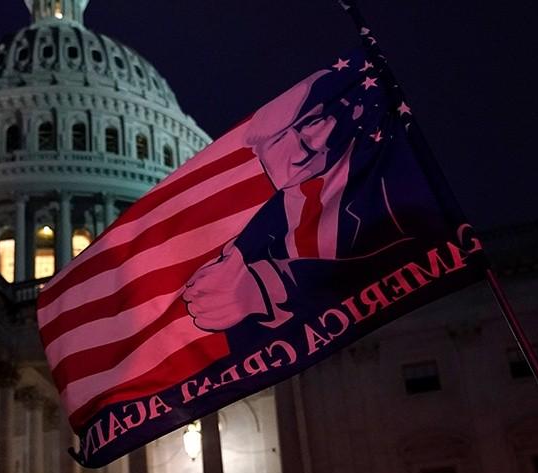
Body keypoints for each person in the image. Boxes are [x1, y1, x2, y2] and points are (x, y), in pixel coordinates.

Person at [182, 57, 453, 337]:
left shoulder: (375, 191)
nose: (311, 139)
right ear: (262, 148)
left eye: (323, 119)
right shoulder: (257, 232)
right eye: (296, 132)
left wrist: (267, 286)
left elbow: (412, 253)